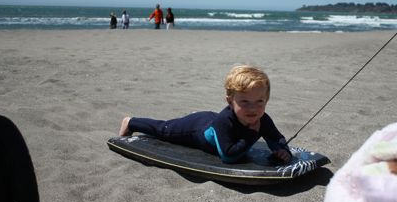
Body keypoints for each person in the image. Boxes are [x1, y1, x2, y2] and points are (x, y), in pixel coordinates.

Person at [118, 65, 292, 164]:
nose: (253, 108)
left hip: (209, 119)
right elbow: (228, 155)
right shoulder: (225, 121)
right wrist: (252, 134)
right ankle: (130, 122)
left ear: (266, 100)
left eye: (259, 102)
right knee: (163, 130)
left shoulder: (263, 119)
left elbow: (275, 137)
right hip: (196, 128)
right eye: (244, 102)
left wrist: (281, 149)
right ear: (230, 101)